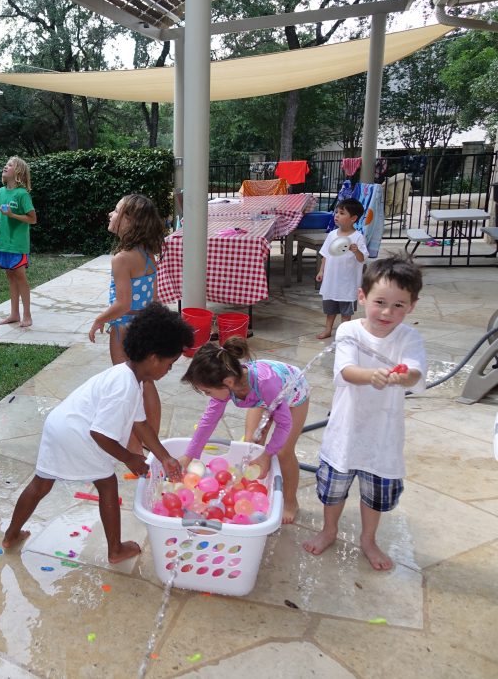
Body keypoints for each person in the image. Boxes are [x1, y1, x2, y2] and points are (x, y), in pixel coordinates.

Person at [1, 304, 192, 564]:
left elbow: (141, 424)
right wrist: (129, 458)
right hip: (77, 434)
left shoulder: (129, 376)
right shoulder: (125, 388)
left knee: (41, 483)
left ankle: (11, 535)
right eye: (170, 364)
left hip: (60, 426)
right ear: (153, 358)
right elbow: (100, 435)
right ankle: (115, 550)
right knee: (107, 483)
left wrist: (165, 457)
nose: (169, 370)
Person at [303, 256, 425, 570]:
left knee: (375, 495)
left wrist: (405, 376)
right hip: (345, 431)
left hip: (383, 435)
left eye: (398, 305)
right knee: (333, 490)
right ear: (362, 297)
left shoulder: (409, 337)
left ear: (411, 306)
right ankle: (329, 529)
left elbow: (415, 371)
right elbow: (345, 370)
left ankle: (368, 540)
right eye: (380, 302)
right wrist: (371, 376)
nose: (387, 312)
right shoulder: (349, 331)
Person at [180, 338, 309, 524]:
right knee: (251, 444)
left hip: (293, 394)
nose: (208, 396)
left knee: (283, 452)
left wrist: (268, 454)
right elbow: (208, 420)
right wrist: (190, 455)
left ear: (228, 382)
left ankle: (290, 501)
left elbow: (284, 424)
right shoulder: (230, 383)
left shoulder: (266, 385)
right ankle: (254, 485)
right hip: (260, 396)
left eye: (208, 391)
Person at [88, 194, 166, 454]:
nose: (111, 214)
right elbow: (153, 298)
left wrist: (99, 319)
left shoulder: (121, 259)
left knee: (128, 385)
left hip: (124, 330)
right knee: (146, 382)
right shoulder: (147, 254)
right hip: (143, 325)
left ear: (130, 221)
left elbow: (122, 303)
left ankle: (134, 445)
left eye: (116, 210)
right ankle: (149, 439)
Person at [0, 156, 37, 327]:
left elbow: (32, 219)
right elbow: (1, 218)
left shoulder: (22, 194)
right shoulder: (1, 192)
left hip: (18, 245)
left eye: (10, 165)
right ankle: (14, 314)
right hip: (4, 244)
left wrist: (12, 215)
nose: (5, 166)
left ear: (18, 172)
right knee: (11, 278)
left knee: (20, 278)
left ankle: (27, 315)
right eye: (6, 164)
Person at [316, 198, 368, 340]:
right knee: (330, 309)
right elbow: (325, 254)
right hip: (331, 281)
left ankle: (344, 333)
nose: (337, 215)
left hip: (348, 283)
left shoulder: (358, 237)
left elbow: (362, 259)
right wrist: (321, 271)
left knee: (346, 312)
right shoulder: (332, 235)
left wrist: (356, 251)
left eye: (342, 213)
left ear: (353, 218)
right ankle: (328, 330)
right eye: (337, 212)